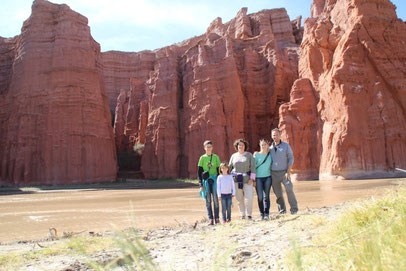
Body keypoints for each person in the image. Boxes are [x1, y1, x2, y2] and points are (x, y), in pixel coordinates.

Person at [270, 128, 298, 214]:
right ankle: (282, 211)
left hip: (284, 172)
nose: (275, 137)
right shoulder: (269, 148)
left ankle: (294, 209)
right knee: (278, 193)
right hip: (273, 174)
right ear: (272, 136)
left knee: (289, 189)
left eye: (277, 135)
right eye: (274, 135)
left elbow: (291, 158)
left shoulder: (286, 146)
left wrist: (288, 172)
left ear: (280, 135)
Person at [228, 138, 256, 220]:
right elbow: (229, 168)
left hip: (248, 180)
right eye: (239, 145)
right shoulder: (233, 156)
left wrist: (252, 179)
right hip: (237, 180)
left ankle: (249, 214)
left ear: (245, 146)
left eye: (242, 145)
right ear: (237, 146)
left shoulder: (249, 155)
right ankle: (242, 214)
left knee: (249, 198)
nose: (240, 146)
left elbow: (253, 167)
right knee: (239, 199)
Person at [198, 140, 221, 225]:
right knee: (208, 201)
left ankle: (217, 218)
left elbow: (219, 171)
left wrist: (220, 182)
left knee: (215, 199)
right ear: (204, 148)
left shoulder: (216, 157)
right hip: (206, 181)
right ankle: (210, 219)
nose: (209, 148)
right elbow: (199, 172)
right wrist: (200, 184)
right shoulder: (202, 158)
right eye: (207, 147)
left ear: (212, 148)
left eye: (210, 147)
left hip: (215, 180)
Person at [254, 139, 272, 220]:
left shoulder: (270, 154)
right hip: (258, 178)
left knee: (267, 196)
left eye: (265, 144)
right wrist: (253, 179)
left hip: (268, 177)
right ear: (260, 145)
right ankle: (261, 213)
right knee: (260, 197)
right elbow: (253, 168)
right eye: (262, 144)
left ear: (268, 145)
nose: (263, 146)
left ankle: (267, 214)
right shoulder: (256, 155)